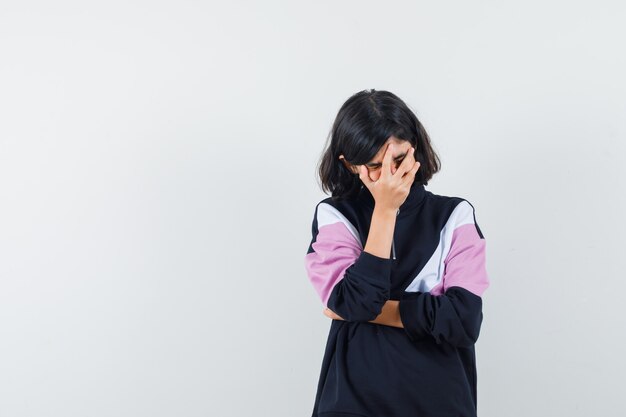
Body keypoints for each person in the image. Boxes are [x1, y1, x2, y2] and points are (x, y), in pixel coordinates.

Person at [304, 89, 490, 417]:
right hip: (353, 403)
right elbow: (358, 301)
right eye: (374, 166)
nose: (389, 176)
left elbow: (463, 321)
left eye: (399, 159)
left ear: (414, 147)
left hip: (440, 403)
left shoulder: (455, 216)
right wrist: (385, 211)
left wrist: (368, 311)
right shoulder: (335, 217)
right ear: (349, 165)